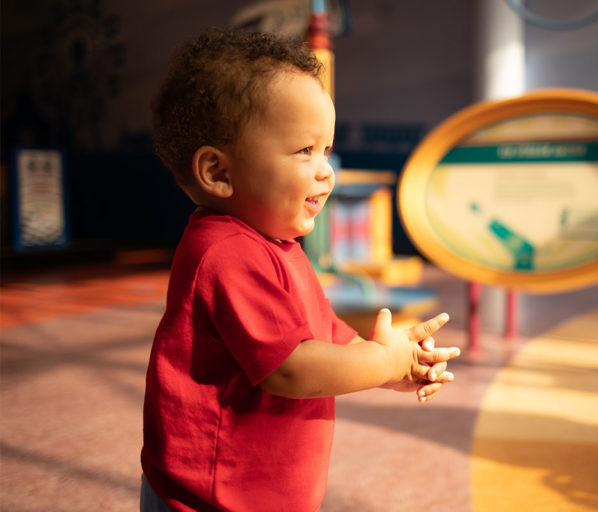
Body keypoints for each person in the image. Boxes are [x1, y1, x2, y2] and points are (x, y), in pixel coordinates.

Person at [140, 29, 461, 512]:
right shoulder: (227, 252)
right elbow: (290, 369)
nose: (325, 170)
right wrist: (384, 361)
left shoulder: (279, 246)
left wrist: (392, 363)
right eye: (304, 151)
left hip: (262, 493)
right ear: (219, 173)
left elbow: (326, 336)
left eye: (326, 150)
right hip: (211, 498)